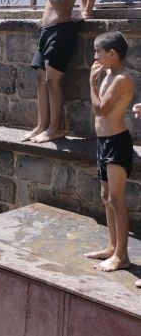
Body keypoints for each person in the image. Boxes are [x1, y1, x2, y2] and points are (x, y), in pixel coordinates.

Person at [84, 31, 135, 272]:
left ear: (112, 54)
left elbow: (101, 110)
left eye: (98, 51)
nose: (95, 56)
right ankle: (112, 246)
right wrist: (98, 79)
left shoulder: (121, 79)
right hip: (103, 143)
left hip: (116, 142)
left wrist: (91, 84)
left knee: (116, 200)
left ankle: (122, 256)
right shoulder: (109, 73)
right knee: (106, 199)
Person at [22, 0, 80, 144]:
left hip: (61, 32)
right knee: (40, 79)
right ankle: (42, 124)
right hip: (47, 32)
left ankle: (56, 128)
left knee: (52, 82)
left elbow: (63, 9)